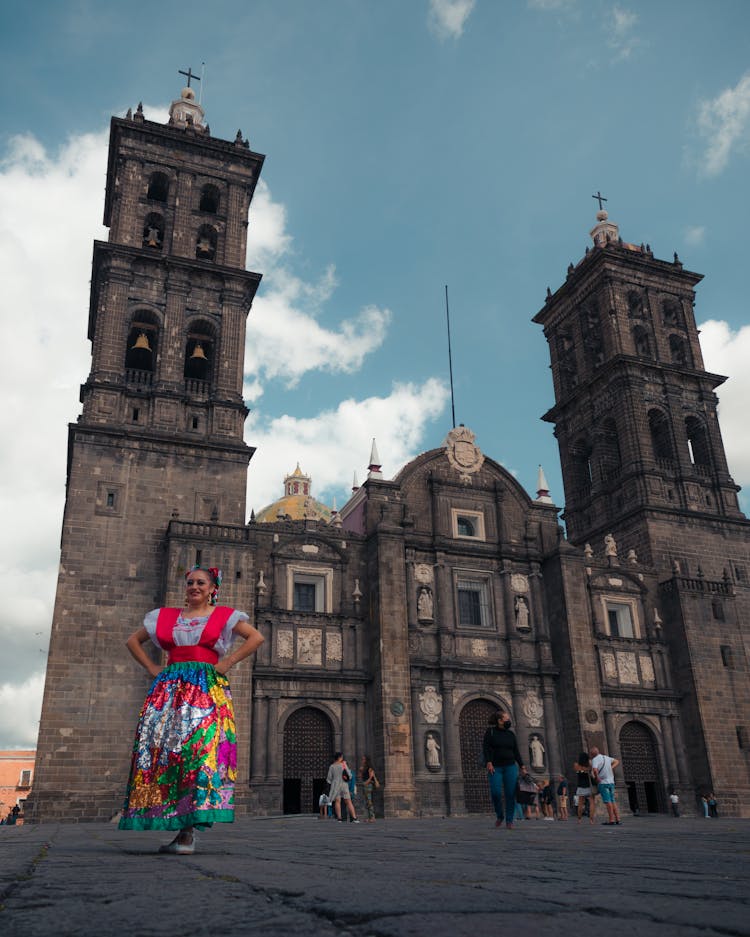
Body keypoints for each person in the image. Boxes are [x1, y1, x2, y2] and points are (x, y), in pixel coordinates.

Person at [118, 565, 264, 854]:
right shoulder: (166, 617)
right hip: (170, 689)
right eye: (190, 583)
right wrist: (152, 668)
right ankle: (178, 823)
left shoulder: (223, 616)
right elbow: (132, 641)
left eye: (200, 583)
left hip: (206, 688)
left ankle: (187, 832)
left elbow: (255, 637)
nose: (194, 587)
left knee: (197, 751)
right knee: (164, 751)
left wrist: (227, 663)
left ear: (212, 589)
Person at [482, 710, 525, 829]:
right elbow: (486, 748)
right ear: (500, 721)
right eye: (506, 719)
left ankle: (509, 820)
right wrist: (488, 762)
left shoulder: (511, 734)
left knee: (510, 794)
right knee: (495, 793)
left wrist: (522, 766)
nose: (508, 721)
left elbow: (516, 751)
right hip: (495, 767)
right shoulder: (490, 732)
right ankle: (500, 815)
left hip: (510, 766)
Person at [590, 746, 621, 826]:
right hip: (611, 782)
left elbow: (595, 770)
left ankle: (611, 820)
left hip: (603, 783)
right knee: (612, 800)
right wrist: (611, 767)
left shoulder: (595, 760)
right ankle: (618, 819)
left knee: (608, 801)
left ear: (592, 754)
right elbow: (617, 761)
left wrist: (597, 778)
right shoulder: (606, 757)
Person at [326, 752, 360, 823]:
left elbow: (329, 779)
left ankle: (339, 818)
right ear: (340, 757)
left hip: (335, 785)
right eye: (342, 757)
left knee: (337, 801)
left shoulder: (332, 766)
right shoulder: (343, 764)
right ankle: (354, 818)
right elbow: (349, 775)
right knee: (348, 801)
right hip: (344, 784)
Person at [574, 752, 596, 824]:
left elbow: (576, 771)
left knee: (580, 803)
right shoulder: (589, 765)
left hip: (580, 786)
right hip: (589, 785)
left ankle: (579, 820)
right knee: (592, 803)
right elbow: (592, 772)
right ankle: (591, 820)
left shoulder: (576, 765)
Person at [360, 755, 377, 822]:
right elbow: (361, 777)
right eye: (362, 759)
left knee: (369, 801)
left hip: (368, 785)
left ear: (367, 760)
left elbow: (371, 777)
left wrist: (366, 782)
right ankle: (369, 817)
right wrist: (360, 771)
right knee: (366, 801)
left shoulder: (370, 768)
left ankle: (373, 817)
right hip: (365, 785)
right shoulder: (363, 768)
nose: (362, 761)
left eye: (364, 759)